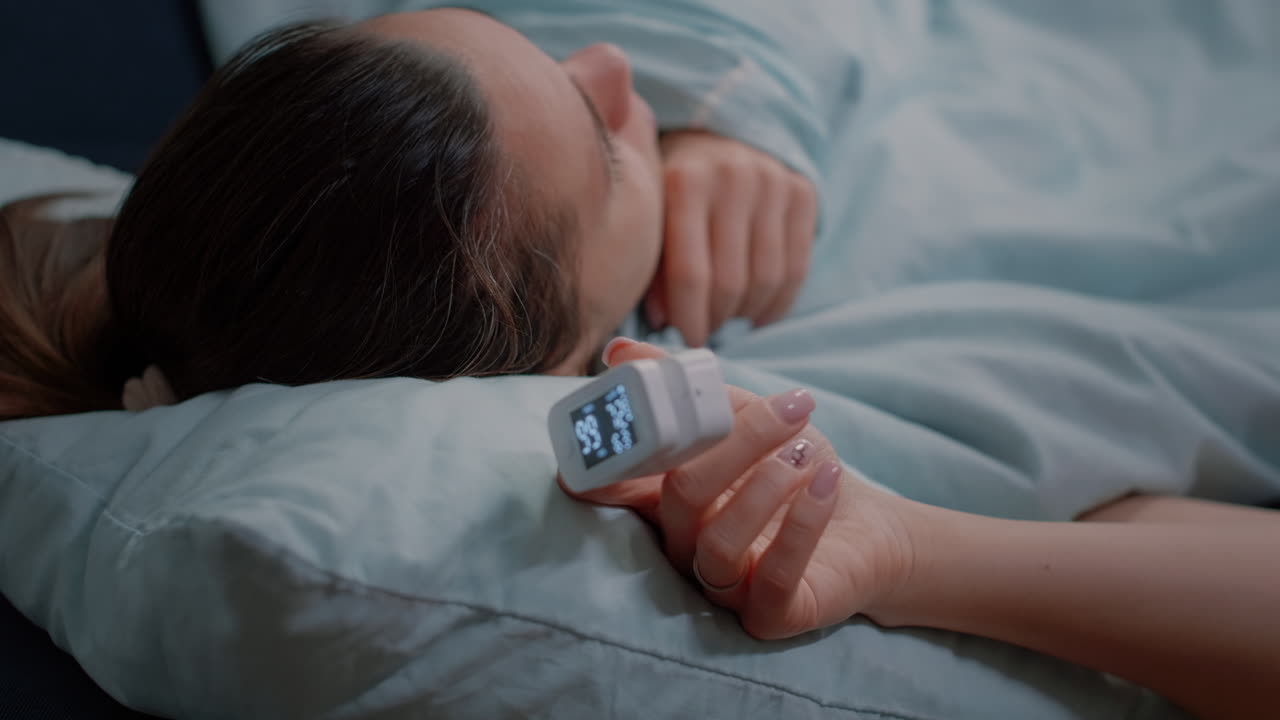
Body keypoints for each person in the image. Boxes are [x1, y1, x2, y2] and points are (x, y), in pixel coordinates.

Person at [0, 8, 1275, 719]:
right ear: (558, 352)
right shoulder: (774, 418)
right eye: (602, 139)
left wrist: (722, 112)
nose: (616, 71)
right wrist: (905, 550)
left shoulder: (404, 157)